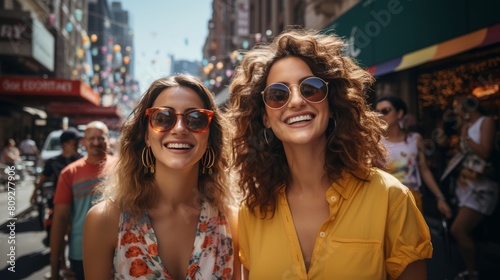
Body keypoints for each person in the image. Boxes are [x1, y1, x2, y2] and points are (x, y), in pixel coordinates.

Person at [227, 28, 432, 279]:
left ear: (332, 105)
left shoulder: (391, 198)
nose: (295, 102)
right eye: (278, 95)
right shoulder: (252, 211)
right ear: (265, 118)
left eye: (310, 88)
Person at [83, 74, 240, 279]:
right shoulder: (105, 220)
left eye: (196, 119)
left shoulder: (233, 222)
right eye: (163, 118)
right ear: (147, 135)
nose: (180, 129)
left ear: (210, 136)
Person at [50, 121, 111, 280]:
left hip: (121, 249)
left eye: (101, 137)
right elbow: (60, 220)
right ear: (83, 142)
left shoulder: (125, 167)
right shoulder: (69, 173)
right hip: (81, 253)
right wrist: (55, 267)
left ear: (108, 139)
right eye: (91, 139)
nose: (96, 142)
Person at [375, 96, 452, 219]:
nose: (380, 116)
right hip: (385, 198)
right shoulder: (375, 142)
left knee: (411, 237)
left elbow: (424, 170)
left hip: (411, 197)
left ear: (399, 113)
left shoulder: (414, 139)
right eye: (377, 113)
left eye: (385, 111)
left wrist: (440, 197)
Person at [449, 94, 498, 280]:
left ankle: (472, 273)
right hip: (466, 184)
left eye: (457, 106)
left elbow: (485, 152)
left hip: (481, 187)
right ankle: (471, 270)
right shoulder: (466, 125)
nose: (454, 111)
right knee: (466, 230)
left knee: (458, 230)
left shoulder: (486, 122)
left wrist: (467, 136)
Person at [30, 128, 83, 278]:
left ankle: (70, 266)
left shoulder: (81, 159)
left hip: (78, 205)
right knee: (60, 236)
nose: (78, 145)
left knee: (74, 235)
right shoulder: (53, 162)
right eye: (75, 142)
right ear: (65, 144)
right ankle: (61, 266)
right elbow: (43, 179)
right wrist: (34, 194)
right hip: (59, 204)